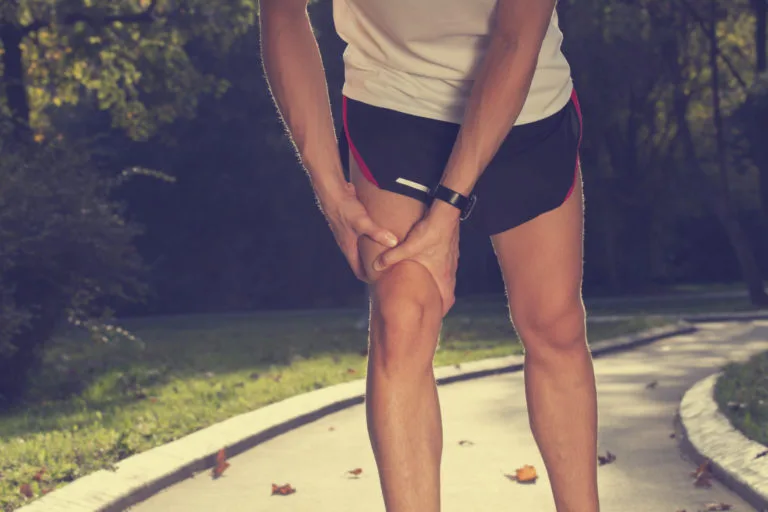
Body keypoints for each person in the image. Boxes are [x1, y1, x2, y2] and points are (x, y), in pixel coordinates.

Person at [259, 0, 599, 511]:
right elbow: (282, 15)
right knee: (401, 320)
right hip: (395, 101)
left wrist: (447, 211)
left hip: (522, 100)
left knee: (553, 325)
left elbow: (515, 39)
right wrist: (329, 187)